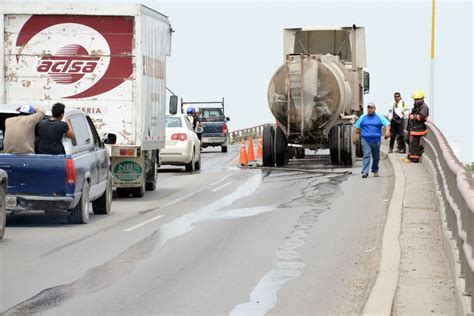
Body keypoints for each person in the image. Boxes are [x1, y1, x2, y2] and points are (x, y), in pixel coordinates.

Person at [353, 102, 391, 178]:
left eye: (371, 108)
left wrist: (387, 132)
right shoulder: (363, 117)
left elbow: (387, 124)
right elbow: (356, 127)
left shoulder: (379, 116)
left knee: (376, 156)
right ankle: (365, 172)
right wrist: (355, 137)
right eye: (368, 108)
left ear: (374, 109)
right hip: (365, 139)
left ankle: (375, 169)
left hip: (376, 140)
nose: (370, 110)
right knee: (366, 155)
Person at [404, 90, 429, 163]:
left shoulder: (424, 107)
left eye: (417, 99)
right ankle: (410, 156)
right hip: (413, 128)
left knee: (414, 143)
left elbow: (422, 116)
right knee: (408, 140)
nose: (415, 101)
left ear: (421, 99)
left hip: (419, 129)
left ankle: (414, 158)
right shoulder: (417, 106)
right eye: (415, 99)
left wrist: (414, 117)